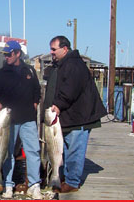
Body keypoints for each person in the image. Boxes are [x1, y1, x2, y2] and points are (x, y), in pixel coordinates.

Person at [46, 35, 107, 193]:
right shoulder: (63, 64)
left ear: (64, 49)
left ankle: (72, 182)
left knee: (74, 150)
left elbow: (70, 90)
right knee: (67, 149)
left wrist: (58, 105)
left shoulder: (73, 65)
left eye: (54, 49)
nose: (51, 52)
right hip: (70, 117)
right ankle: (66, 177)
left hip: (79, 118)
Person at [0, 40, 43, 199]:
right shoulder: (0, 74)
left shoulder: (30, 71)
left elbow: (37, 91)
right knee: (7, 153)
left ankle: (34, 185)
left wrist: (33, 104)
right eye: (5, 54)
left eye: (9, 54)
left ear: (18, 54)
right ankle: (8, 185)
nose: (6, 57)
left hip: (28, 119)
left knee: (33, 151)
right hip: (8, 121)